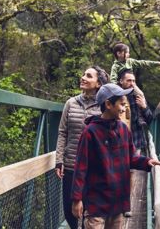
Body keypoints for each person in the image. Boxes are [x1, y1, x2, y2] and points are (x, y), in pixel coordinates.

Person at [71, 83, 160, 229]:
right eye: (121, 104)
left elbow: (131, 158)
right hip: (96, 204)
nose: (124, 108)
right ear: (108, 104)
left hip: (117, 202)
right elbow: (81, 167)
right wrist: (77, 199)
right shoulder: (90, 132)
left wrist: (147, 161)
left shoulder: (123, 129)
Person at [55, 66, 109, 229]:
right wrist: (59, 160)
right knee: (69, 210)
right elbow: (62, 132)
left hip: (93, 168)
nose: (83, 77)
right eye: (84, 74)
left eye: (88, 76)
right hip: (71, 165)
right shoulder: (70, 103)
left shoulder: (103, 107)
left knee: (89, 211)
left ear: (98, 83)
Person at [118, 69, 153, 217]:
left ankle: (126, 205)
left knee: (130, 172)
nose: (132, 83)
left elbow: (150, 119)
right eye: (128, 81)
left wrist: (144, 107)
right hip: (116, 141)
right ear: (121, 81)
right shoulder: (115, 97)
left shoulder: (138, 97)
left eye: (133, 81)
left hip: (135, 141)